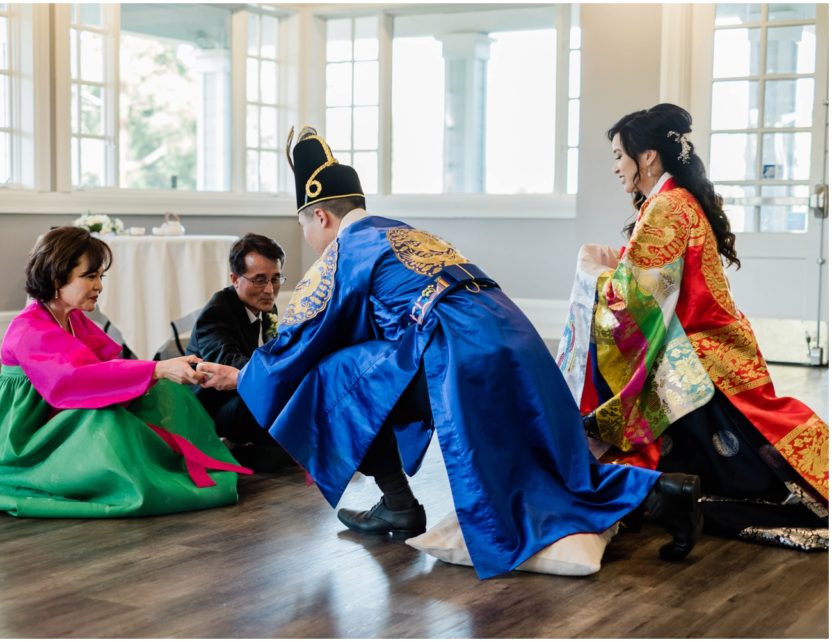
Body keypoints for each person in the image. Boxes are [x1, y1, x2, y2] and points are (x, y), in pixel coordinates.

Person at [193, 126, 703, 580]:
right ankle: (662, 492)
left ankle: (397, 501)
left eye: (306, 226)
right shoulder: (405, 232)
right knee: (547, 458)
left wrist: (243, 378)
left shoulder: (347, 251)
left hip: (460, 352)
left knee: (334, 379)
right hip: (513, 334)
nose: (308, 239)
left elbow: (306, 334)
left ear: (321, 214)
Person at [557, 103, 828, 549]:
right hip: (711, 343)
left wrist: (592, 273)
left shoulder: (666, 207)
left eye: (618, 155)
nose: (614, 167)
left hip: (698, 354)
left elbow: (631, 300)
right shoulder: (673, 200)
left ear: (647, 157)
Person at [0, 226, 250, 517]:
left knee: (164, 392)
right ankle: (141, 480)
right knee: (107, 421)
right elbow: (72, 381)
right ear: (56, 277)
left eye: (101, 276)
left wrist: (164, 372)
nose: (98, 285)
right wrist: (156, 368)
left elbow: (109, 361)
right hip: (22, 432)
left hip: (56, 409)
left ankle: (185, 462)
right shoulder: (30, 328)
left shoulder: (73, 319)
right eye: (89, 276)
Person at [186, 233, 295, 472]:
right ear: (235, 279)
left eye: (275, 279)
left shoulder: (265, 305)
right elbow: (228, 363)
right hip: (212, 409)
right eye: (259, 280)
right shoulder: (217, 313)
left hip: (246, 398)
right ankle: (236, 451)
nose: (269, 289)